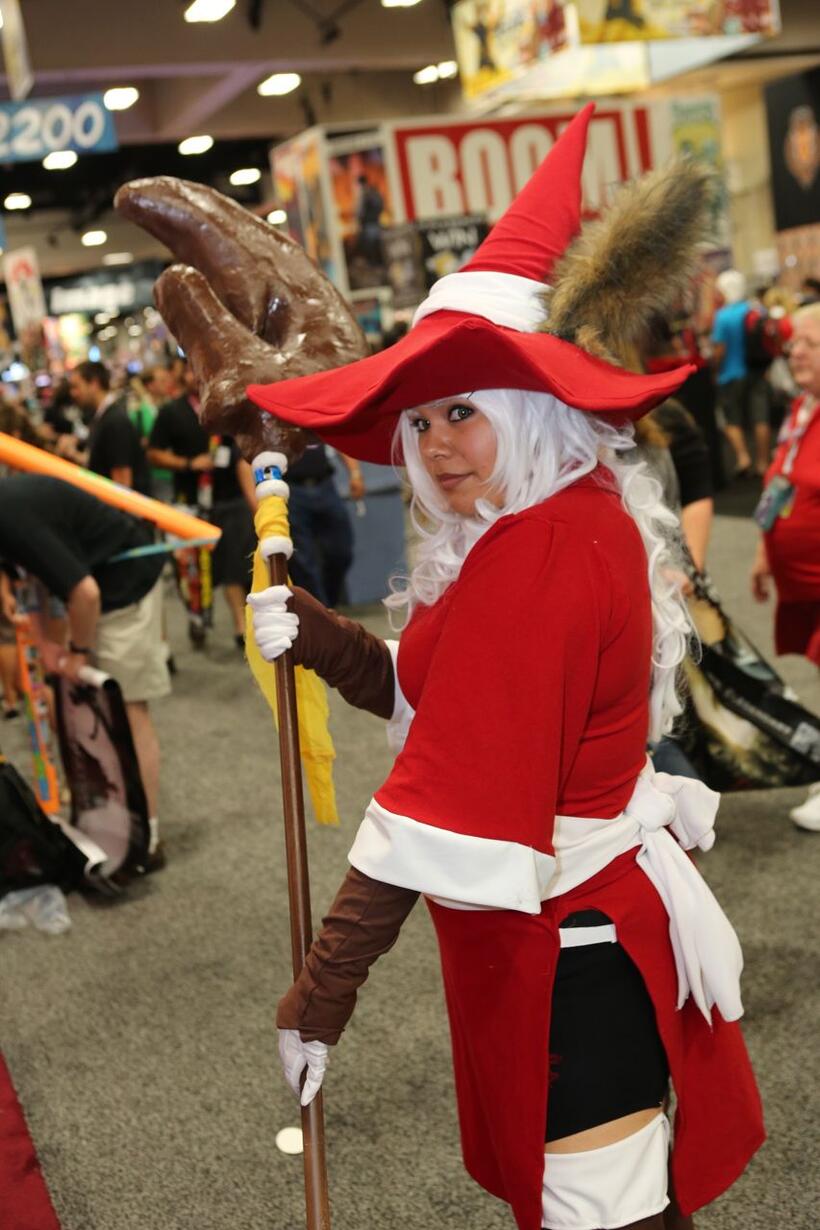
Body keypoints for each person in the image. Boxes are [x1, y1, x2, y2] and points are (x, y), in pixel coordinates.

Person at [243, 109, 763, 1230]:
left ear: (535, 409)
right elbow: (450, 701)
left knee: (600, 1214)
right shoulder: (539, 528)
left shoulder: (545, 546)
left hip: (561, 952)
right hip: (554, 935)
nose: (433, 445)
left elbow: (454, 785)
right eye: (422, 418)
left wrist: (323, 991)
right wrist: (321, 634)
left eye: (464, 412)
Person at [0, 475, 170, 869]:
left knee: (129, 710)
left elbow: (85, 592)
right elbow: (36, 578)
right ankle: (111, 823)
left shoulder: (9, 514)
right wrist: (45, 644)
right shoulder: (8, 513)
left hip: (127, 587)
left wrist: (77, 650)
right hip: (96, 586)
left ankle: (148, 838)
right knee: (91, 710)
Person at [750, 302, 820, 831]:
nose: (794, 351)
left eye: (809, 344)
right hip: (801, 578)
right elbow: (782, 481)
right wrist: (762, 550)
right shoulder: (802, 407)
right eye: (794, 342)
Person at [147, 366, 257, 646]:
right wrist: (188, 464)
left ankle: (241, 625)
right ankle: (205, 620)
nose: (197, 377)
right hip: (192, 504)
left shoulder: (227, 407)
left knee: (239, 563)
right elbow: (154, 453)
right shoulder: (172, 412)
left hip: (233, 498)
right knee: (196, 574)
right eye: (190, 371)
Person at [286, 434, 363, 608]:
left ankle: (329, 604)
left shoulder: (315, 410)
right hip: (291, 488)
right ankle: (321, 612)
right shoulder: (277, 415)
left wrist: (355, 473)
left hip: (324, 484)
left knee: (341, 551)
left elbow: (339, 439)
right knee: (302, 560)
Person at [710, 269, 771, 477]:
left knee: (731, 417)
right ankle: (763, 462)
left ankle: (743, 457)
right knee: (760, 416)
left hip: (730, 373)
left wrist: (715, 370)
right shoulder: (756, 309)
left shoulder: (722, 316)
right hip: (757, 370)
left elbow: (720, 350)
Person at [66, 360, 151, 494]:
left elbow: (122, 484)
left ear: (94, 384)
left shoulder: (114, 421)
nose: (73, 393)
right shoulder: (103, 416)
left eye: (76, 387)